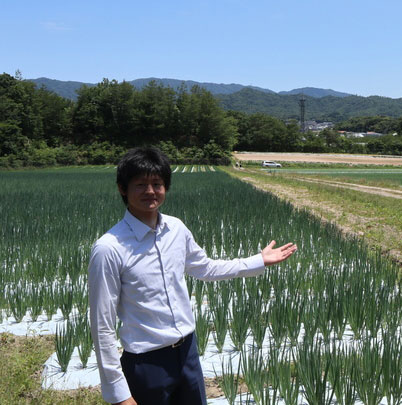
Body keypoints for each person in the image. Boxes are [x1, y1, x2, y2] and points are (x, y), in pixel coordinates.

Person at [88, 147, 297, 405]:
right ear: (123, 188)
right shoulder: (109, 248)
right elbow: (102, 325)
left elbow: (205, 268)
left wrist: (258, 261)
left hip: (187, 353)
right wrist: (119, 393)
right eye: (140, 184)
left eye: (157, 184)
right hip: (146, 362)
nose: (150, 191)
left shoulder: (176, 229)